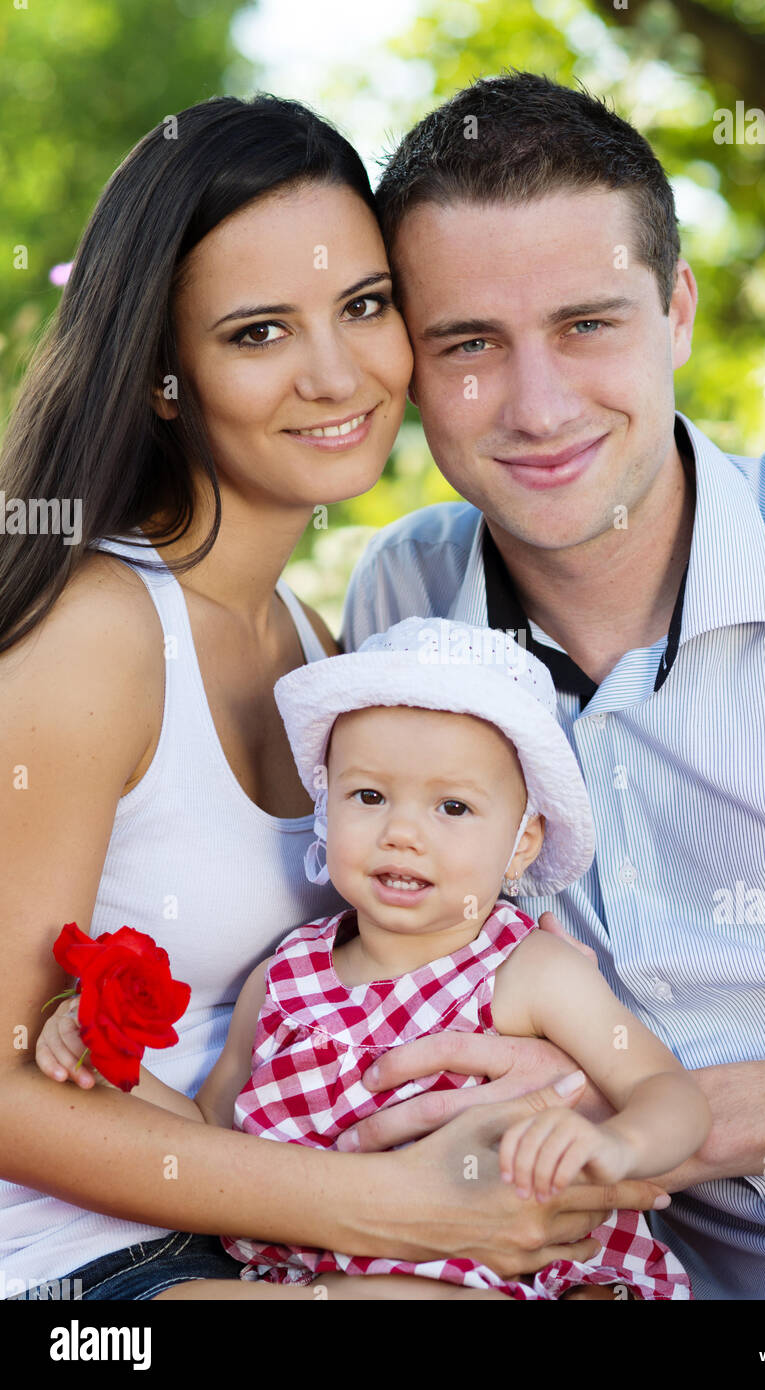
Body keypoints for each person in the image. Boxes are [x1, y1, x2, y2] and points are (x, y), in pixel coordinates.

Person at [0, 92, 667, 1303]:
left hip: (280, 1241)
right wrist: (385, 1209)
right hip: (84, 1262)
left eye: (362, 307)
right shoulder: (98, 631)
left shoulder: (322, 645)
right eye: (256, 332)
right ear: (163, 375)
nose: (335, 371)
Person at [339, 72, 765, 1301]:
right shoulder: (401, 603)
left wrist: (646, 1116)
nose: (538, 403)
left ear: (673, 311)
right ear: (406, 365)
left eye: (586, 323)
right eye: (467, 344)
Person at [36, 617, 710, 1300]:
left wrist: (618, 1146)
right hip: (337, 1275)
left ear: (522, 843)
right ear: (325, 807)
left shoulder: (526, 971)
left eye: (453, 806)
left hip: (521, 1269)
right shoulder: (284, 980)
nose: (402, 834)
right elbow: (216, 1131)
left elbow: (667, 1092)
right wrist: (109, 1060)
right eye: (369, 796)